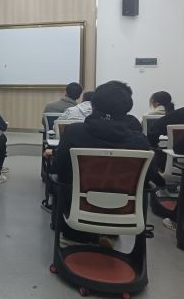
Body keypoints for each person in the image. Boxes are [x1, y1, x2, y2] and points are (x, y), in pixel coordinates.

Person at [51, 80, 150, 245]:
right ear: (127, 108)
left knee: (58, 182)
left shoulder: (74, 132)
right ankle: (108, 232)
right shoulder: (140, 141)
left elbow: (57, 168)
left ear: (93, 105)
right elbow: (149, 179)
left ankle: (76, 236)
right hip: (123, 211)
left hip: (80, 207)